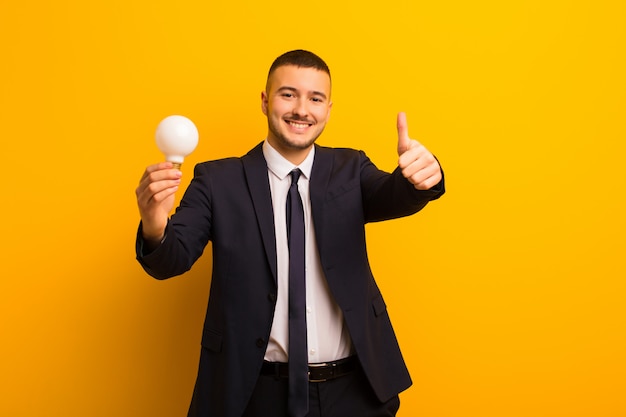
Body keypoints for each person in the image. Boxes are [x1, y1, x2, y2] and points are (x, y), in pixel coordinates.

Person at [135, 49, 445, 417]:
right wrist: (154, 222)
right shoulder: (218, 181)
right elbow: (173, 257)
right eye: (288, 94)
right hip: (255, 394)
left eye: (315, 98)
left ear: (329, 109)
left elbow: (394, 194)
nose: (302, 109)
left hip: (355, 392)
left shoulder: (351, 169)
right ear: (265, 102)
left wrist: (422, 177)